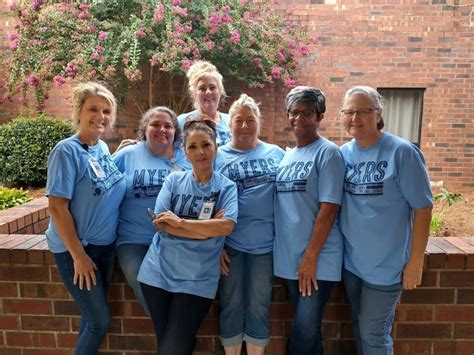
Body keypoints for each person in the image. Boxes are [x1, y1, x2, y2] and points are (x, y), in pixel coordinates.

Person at [339, 86, 433, 355]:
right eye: (349, 111)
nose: (355, 117)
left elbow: (423, 208)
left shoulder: (402, 152)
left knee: (374, 336)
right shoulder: (343, 154)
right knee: (360, 329)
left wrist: (416, 261)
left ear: (378, 113)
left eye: (363, 111)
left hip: (387, 266)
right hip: (351, 264)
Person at [137, 117, 238, 355]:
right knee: (170, 344)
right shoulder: (173, 180)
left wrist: (181, 223)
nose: (200, 152)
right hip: (157, 273)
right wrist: (206, 229)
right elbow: (160, 223)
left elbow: (226, 227)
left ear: (215, 148)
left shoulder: (226, 187)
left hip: (197, 280)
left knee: (172, 349)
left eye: (206, 145)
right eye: (192, 147)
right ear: (185, 151)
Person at [45, 82, 126, 354]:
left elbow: (97, 183)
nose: (100, 116)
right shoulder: (65, 151)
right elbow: (57, 207)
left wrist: (119, 152)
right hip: (79, 251)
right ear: (78, 111)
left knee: (91, 318)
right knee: (99, 321)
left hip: (104, 249)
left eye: (106, 111)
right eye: (93, 109)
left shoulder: (101, 147)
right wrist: (79, 256)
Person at [273, 86, 346, 355]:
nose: (299, 118)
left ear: (319, 117)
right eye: (294, 112)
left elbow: (329, 208)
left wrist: (310, 256)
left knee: (304, 331)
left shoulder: (328, 154)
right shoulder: (287, 156)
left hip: (317, 259)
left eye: (307, 113)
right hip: (290, 257)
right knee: (308, 330)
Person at [216, 94, 284, 355]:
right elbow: (208, 199)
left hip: (265, 245)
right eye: (238, 120)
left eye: (250, 119)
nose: (244, 125)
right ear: (229, 124)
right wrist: (216, 244)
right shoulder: (218, 157)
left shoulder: (276, 153)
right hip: (230, 244)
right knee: (230, 303)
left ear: (259, 122)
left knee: (259, 304)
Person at [113, 106, 191, 314]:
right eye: (155, 124)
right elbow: (103, 188)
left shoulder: (187, 158)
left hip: (177, 240)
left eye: (168, 126)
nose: (162, 129)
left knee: (182, 295)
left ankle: (173, 340)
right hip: (134, 240)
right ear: (144, 128)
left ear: (176, 132)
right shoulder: (127, 155)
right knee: (145, 287)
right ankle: (173, 339)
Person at [178, 60, 231, 146]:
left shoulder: (231, 121)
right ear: (194, 93)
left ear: (220, 91)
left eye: (212, 87)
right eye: (202, 88)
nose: (208, 92)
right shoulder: (181, 122)